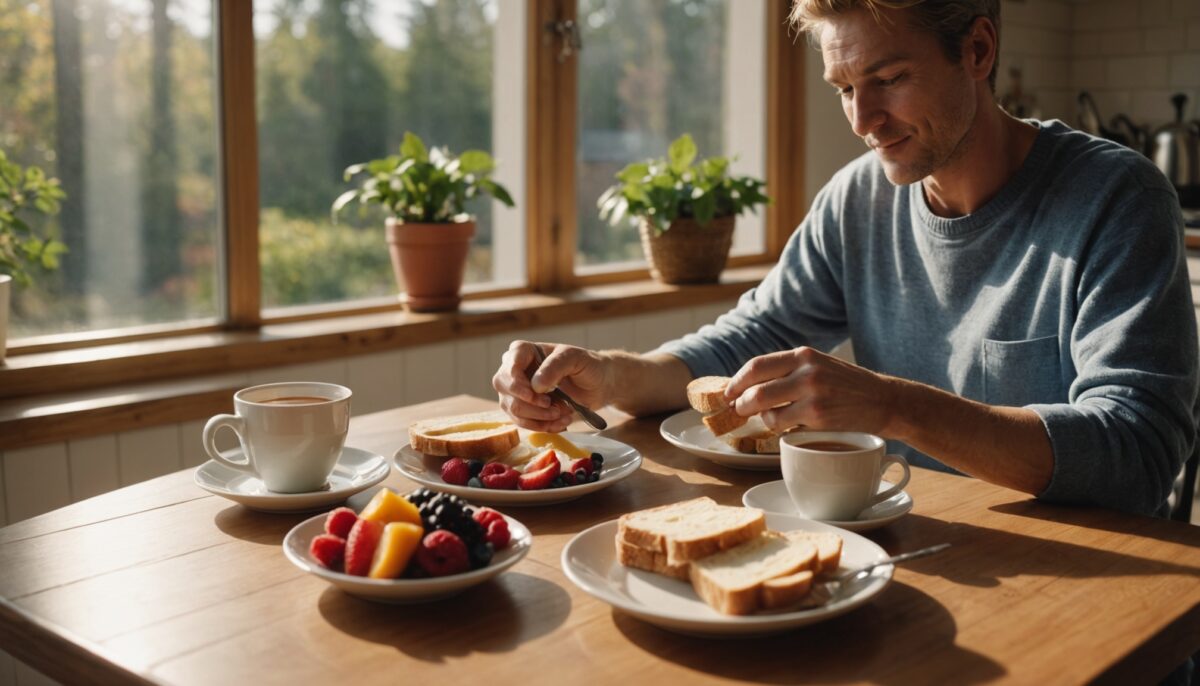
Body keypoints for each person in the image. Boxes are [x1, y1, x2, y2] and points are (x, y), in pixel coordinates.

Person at [492, 0, 1199, 520]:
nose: (862, 120)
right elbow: (747, 339)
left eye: (888, 78)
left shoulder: (1117, 198)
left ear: (978, 51)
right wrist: (609, 374)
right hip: (915, 550)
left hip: (1096, 586)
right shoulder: (857, 199)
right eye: (843, 89)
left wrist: (892, 404)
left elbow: (1137, 457)